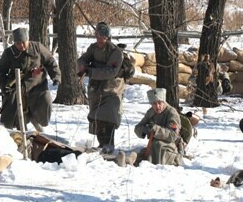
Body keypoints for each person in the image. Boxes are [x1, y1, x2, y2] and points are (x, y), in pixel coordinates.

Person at [0, 27, 60, 132]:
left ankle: (37, 123)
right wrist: (3, 87)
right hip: (17, 87)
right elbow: (1, 70)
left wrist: (56, 76)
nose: (21, 46)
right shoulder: (9, 53)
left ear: (27, 40)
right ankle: (15, 131)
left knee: (46, 102)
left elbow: (50, 61)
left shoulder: (37, 47)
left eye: (23, 42)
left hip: (38, 85)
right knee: (12, 110)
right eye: (17, 43)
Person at [77, 22, 125, 152]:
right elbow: (83, 59)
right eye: (97, 36)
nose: (99, 39)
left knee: (108, 116)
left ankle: (109, 144)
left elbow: (111, 72)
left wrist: (91, 71)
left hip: (112, 89)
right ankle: (101, 144)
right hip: (96, 88)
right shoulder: (93, 48)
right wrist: (82, 66)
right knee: (96, 115)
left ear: (107, 37)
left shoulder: (115, 52)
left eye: (102, 37)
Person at [134, 88, 183, 165]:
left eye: (160, 103)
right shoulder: (151, 112)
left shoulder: (172, 113)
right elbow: (137, 128)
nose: (157, 106)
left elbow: (173, 135)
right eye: (154, 103)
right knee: (151, 149)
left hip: (169, 145)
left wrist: (156, 129)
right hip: (153, 143)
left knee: (158, 148)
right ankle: (130, 159)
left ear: (164, 101)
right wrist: (146, 130)